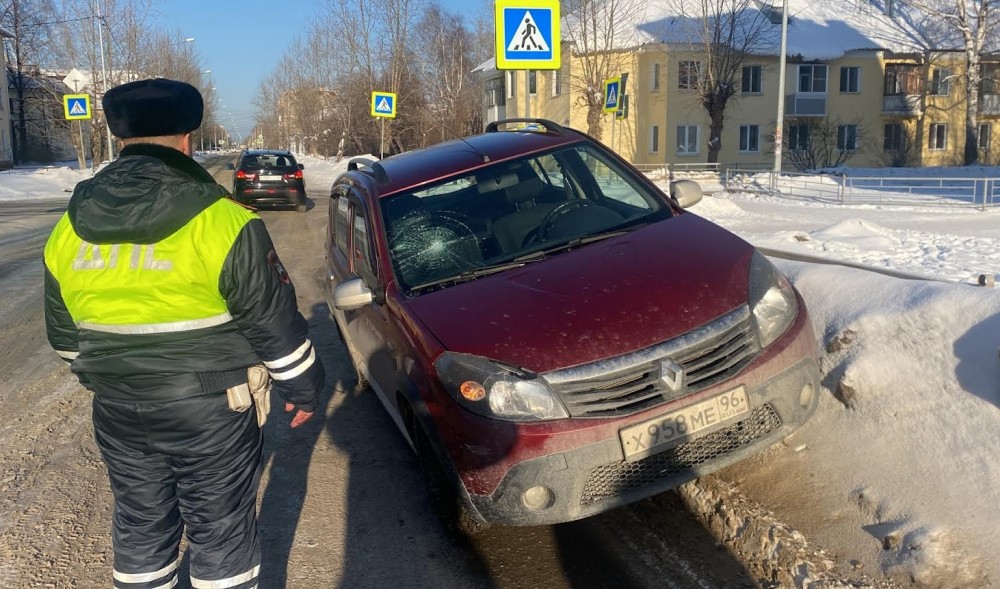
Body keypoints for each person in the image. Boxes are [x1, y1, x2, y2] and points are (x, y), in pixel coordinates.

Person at [42, 78, 325, 589]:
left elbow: (64, 338)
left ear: (120, 138)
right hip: (211, 410)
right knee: (221, 532)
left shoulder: (70, 224)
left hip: (119, 409)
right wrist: (303, 387)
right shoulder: (222, 219)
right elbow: (273, 322)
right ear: (187, 137)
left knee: (140, 527)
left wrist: (120, 375)